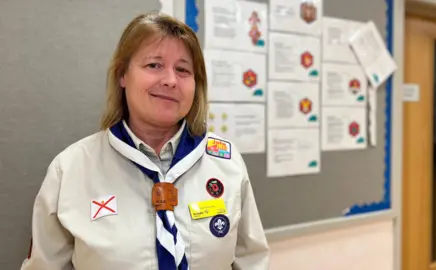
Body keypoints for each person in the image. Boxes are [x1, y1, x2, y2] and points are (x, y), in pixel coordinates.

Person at [21, 12, 269, 270]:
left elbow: (252, 261)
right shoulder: (70, 169)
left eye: (183, 70)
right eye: (154, 65)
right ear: (122, 75)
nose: (171, 81)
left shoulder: (226, 163)